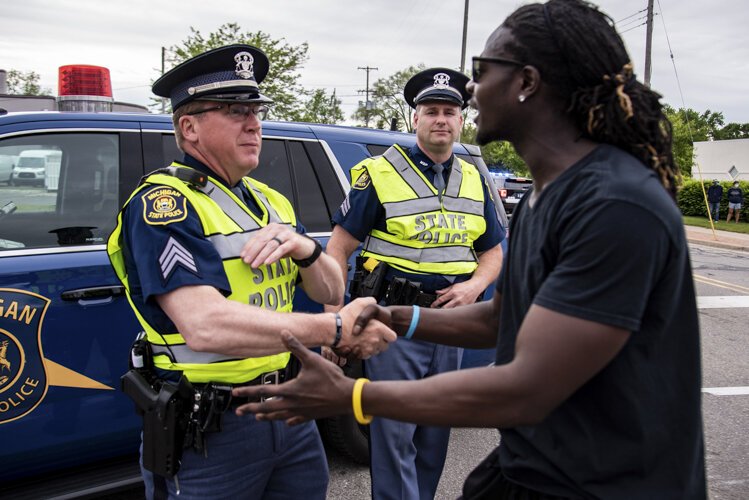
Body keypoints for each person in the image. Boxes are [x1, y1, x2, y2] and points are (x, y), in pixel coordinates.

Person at [233, 1, 707, 498]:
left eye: (480, 73)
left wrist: (352, 395)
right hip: (538, 469)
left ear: (527, 82)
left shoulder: (614, 203)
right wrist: (394, 316)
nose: (471, 93)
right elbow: (501, 321)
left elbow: (528, 388)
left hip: (612, 484)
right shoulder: (549, 194)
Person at [106, 44, 395, 500]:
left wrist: (304, 250)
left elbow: (332, 286)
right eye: (235, 111)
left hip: (289, 409)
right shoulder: (164, 206)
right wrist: (335, 327)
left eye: (256, 110)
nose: (254, 123)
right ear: (189, 127)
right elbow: (203, 325)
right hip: (212, 429)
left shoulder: (269, 201)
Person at [321, 67, 504, 499]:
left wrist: (473, 287)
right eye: (431, 111)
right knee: (394, 435)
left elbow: (493, 252)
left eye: (450, 112)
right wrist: (333, 321)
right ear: (415, 119)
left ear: (462, 121)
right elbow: (338, 249)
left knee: (435, 433)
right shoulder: (378, 174)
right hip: (394, 324)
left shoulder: (475, 178)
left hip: (450, 323)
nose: (441, 119)